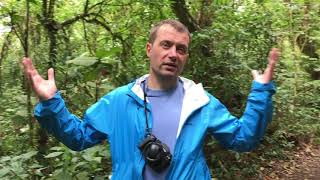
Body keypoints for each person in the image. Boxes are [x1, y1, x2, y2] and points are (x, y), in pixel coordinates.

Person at [22, 19, 280, 180]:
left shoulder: (200, 101)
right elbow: (79, 137)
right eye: (166, 45)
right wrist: (52, 103)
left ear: (186, 57)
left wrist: (261, 91)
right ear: (149, 49)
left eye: (181, 49)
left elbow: (242, 138)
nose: (173, 54)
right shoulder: (119, 101)